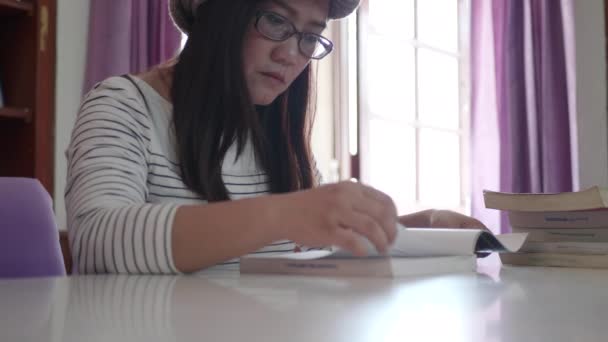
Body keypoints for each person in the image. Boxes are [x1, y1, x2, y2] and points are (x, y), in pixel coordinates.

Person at [65, 0, 486, 275]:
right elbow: (100, 240)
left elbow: (314, 242)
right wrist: (284, 214)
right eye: (274, 20)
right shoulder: (123, 105)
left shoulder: (278, 137)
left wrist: (419, 225)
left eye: (309, 36)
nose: (291, 54)